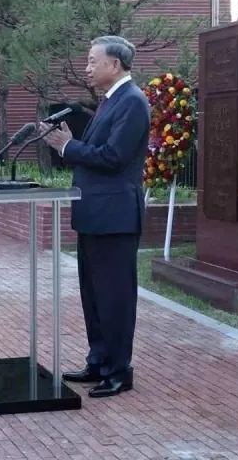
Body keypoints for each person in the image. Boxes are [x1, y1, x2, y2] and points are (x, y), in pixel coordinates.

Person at [39, 35, 149, 399]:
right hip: (95, 214)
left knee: (115, 296)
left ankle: (119, 371)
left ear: (114, 65)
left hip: (115, 217)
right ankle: (99, 361)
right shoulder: (109, 101)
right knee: (93, 295)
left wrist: (68, 147)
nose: (86, 67)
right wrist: (71, 144)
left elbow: (113, 157)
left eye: (91, 61)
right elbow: (98, 151)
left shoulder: (132, 102)